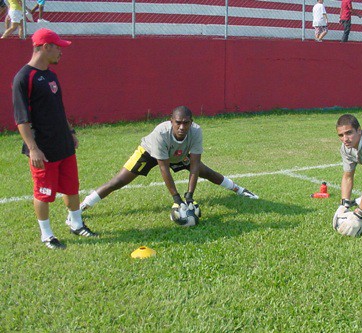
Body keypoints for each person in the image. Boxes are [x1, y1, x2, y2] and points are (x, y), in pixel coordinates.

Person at [80, 106, 259, 219]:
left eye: (186, 123)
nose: (182, 127)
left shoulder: (196, 132)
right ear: (171, 121)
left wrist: (189, 195)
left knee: (208, 172)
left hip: (178, 154)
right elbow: (164, 168)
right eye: (178, 123)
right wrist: (176, 198)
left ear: (191, 122)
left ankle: (240, 190)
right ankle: (82, 206)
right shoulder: (161, 133)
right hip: (150, 153)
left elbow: (195, 165)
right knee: (119, 181)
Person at [12, 28, 97, 250]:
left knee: (71, 187)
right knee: (44, 192)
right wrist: (33, 149)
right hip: (43, 148)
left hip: (63, 144)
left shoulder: (51, 75)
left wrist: (70, 133)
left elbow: (58, 108)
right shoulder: (24, 77)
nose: (61, 51)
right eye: (57, 47)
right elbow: (21, 119)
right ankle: (47, 235)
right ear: (45, 47)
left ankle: (76, 224)